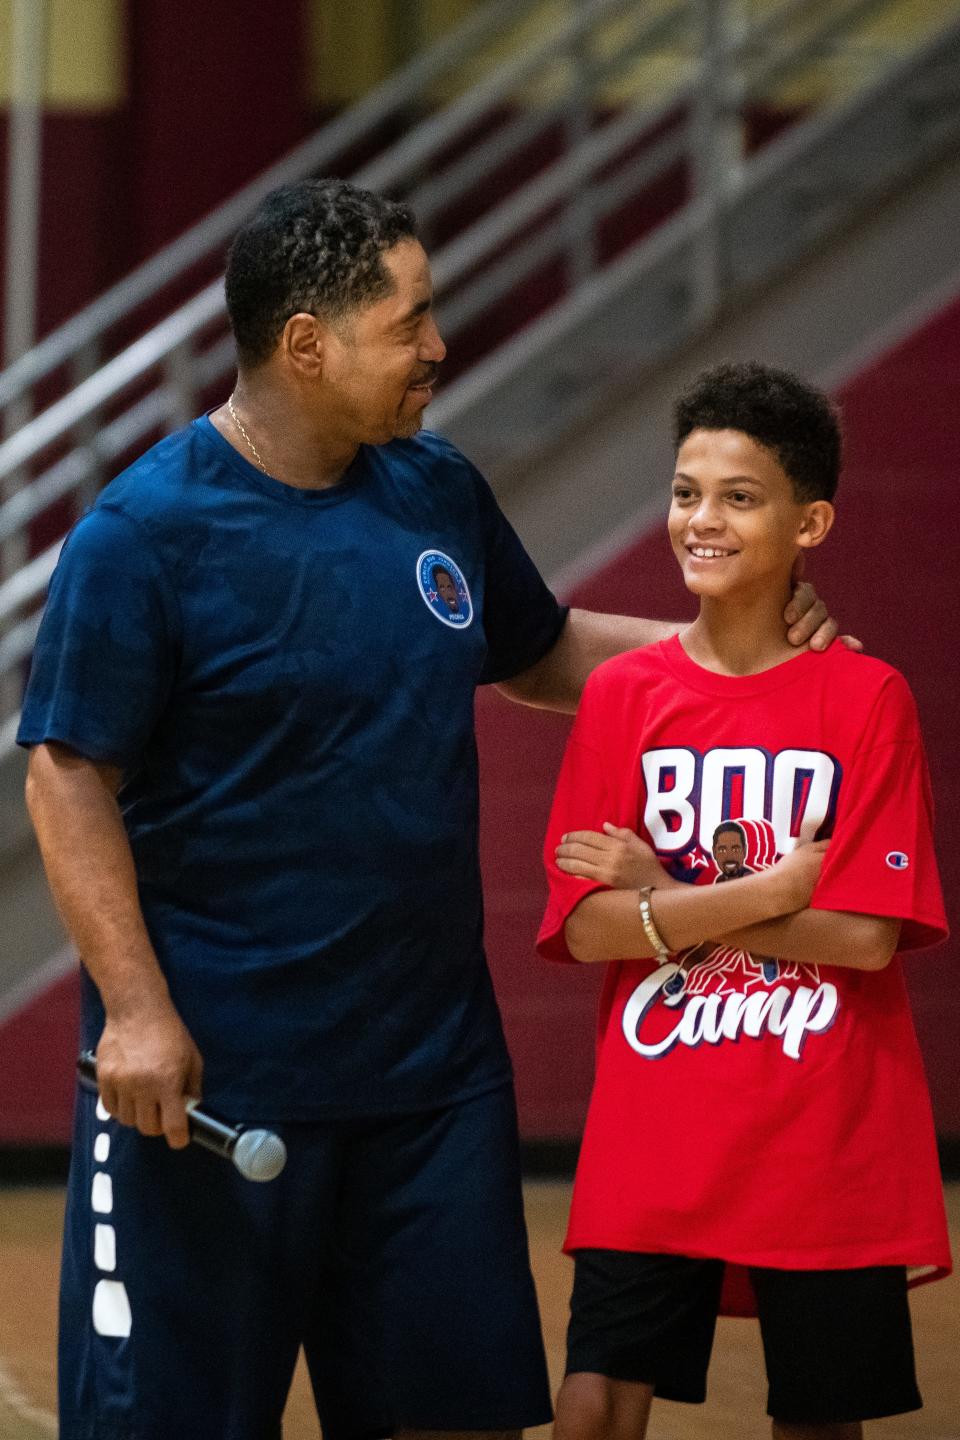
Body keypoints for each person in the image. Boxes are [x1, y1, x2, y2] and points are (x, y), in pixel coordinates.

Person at [19, 182, 838, 1440]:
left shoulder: (432, 489)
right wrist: (134, 1011)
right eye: (411, 322)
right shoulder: (144, 535)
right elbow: (67, 776)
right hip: (207, 1089)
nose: (439, 346)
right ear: (308, 344)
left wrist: (740, 660)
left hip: (430, 1083)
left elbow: (540, 652)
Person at [537, 360, 950, 1440]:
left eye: (738, 495)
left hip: (829, 1131)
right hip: (657, 1123)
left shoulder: (869, 697)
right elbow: (583, 928)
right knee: (593, 1402)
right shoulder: (624, 696)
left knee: (822, 1416)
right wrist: (769, 891)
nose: (700, 519)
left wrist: (662, 899)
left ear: (811, 523)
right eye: (684, 492)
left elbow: (864, 941)